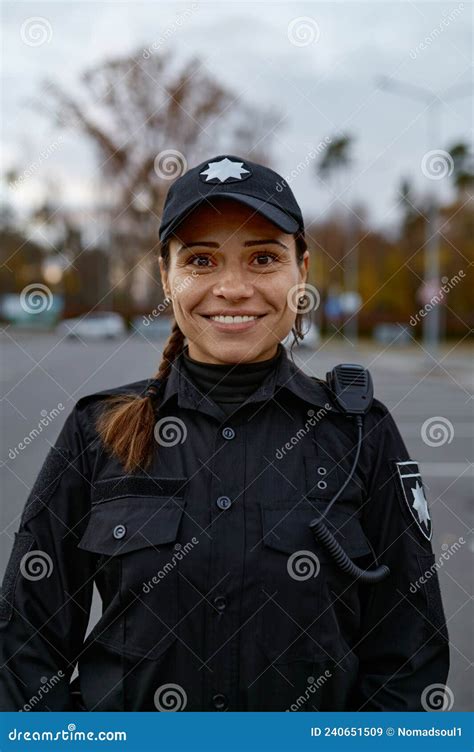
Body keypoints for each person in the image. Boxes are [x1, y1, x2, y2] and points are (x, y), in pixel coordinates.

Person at [0, 154, 449, 712]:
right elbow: (25, 648)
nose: (233, 288)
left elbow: (409, 659)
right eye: (201, 260)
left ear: (301, 272)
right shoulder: (96, 432)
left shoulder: (360, 433)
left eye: (263, 258)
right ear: (166, 276)